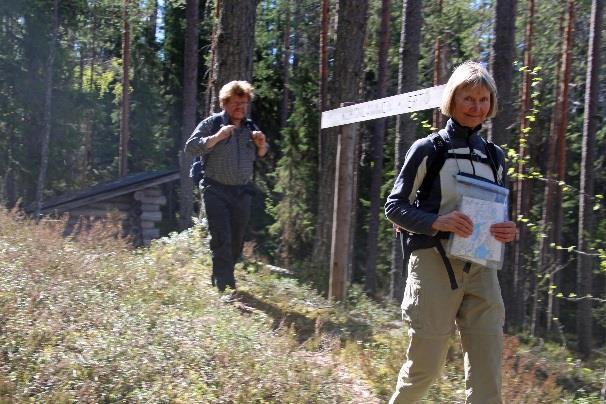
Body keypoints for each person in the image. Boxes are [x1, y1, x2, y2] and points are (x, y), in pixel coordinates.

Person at [385, 61, 516, 404]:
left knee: (488, 376)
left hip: (483, 269)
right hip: (433, 266)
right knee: (424, 370)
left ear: (492, 104)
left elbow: (499, 211)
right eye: (468, 98)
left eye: (483, 99)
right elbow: (394, 207)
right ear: (452, 100)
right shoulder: (428, 149)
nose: (476, 107)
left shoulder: (496, 156)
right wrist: (437, 221)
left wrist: (507, 229)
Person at [184, 80, 268, 293]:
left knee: (237, 240)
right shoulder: (211, 124)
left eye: (244, 103)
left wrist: (261, 145)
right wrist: (217, 137)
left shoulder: (250, 127)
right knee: (222, 237)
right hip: (216, 190)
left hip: (242, 191)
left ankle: (220, 275)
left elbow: (262, 154)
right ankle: (225, 286)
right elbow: (190, 147)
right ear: (225, 103)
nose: (241, 108)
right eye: (236, 103)